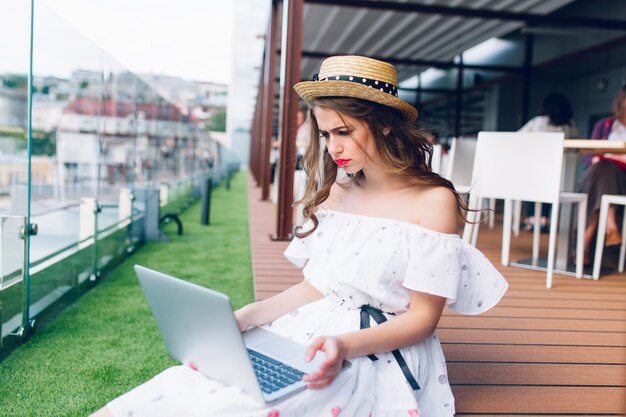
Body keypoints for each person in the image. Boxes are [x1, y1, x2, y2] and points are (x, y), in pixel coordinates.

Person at [92, 55, 508, 417]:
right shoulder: (340, 191)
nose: (332, 147)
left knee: (242, 405)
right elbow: (315, 287)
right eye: (326, 134)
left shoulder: (433, 201)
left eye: (343, 132)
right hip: (312, 331)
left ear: (383, 125)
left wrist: (344, 346)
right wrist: (249, 315)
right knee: (191, 382)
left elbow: (422, 320)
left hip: (375, 352)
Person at [578, 81, 626, 263]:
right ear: (621, 101)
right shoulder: (604, 125)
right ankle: (610, 223)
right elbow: (587, 158)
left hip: (622, 180)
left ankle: (583, 244)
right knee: (603, 167)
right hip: (598, 176)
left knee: (606, 169)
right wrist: (598, 159)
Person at [519, 92, 579, 231]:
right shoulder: (570, 126)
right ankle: (544, 220)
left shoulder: (538, 122)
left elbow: (518, 138)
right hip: (562, 177)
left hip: (535, 172)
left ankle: (532, 220)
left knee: (528, 184)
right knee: (549, 186)